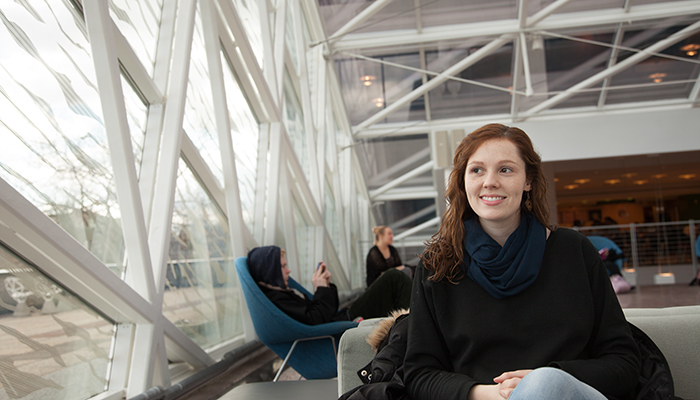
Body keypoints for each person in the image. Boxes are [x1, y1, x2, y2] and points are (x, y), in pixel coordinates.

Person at [404, 124, 640, 400]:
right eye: (477, 170)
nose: (489, 181)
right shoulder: (438, 266)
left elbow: (624, 362)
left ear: (528, 180)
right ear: (463, 181)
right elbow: (419, 375)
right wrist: (492, 394)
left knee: (544, 385)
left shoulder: (574, 251)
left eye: (505, 169)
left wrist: (548, 381)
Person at [247, 245, 412, 323]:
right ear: (270, 271)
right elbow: (316, 319)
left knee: (395, 284)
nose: (288, 271)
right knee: (393, 278)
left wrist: (325, 286)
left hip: (342, 319)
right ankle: (416, 323)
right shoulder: (277, 298)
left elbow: (322, 312)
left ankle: (411, 321)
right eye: (283, 267)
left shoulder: (277, 295)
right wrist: (321, 290)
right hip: (344, 325)